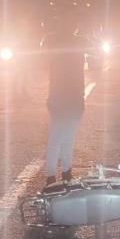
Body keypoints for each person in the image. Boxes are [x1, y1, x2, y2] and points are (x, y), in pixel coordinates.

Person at [40, 13, 87, 184]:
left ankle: (52, 175)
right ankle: (65, 172)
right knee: (67, 136)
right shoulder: (79, 42)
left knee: (57, 136)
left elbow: (44, 57)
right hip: (72, 97)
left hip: (59, 97)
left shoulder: (52, 41)